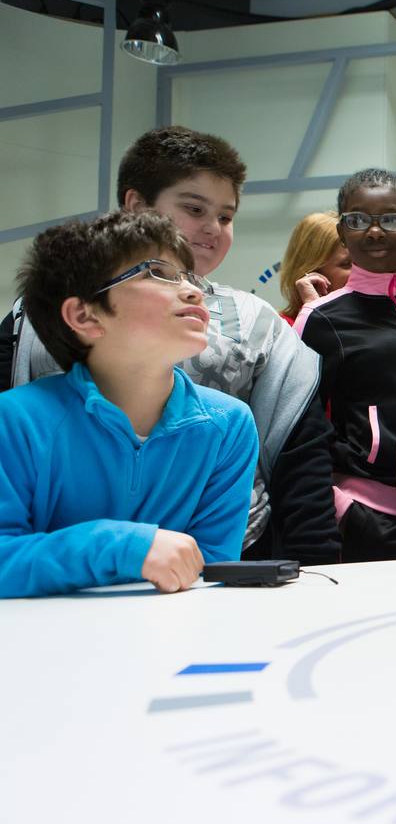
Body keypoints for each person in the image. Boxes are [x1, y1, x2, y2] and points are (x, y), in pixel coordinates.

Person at [0, 126, 339, 567]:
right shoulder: (20, 408)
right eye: (194, 207)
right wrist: (126, 547)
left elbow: (216, 555)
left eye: (226, 216)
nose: (192, 291)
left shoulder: (235, 406)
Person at [0, 212, 257, 597]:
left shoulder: (229, 425)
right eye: (158, 272)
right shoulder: (16, 420)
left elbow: (211, 572)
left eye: (189, 276)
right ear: (85, 315)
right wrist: (122, 546)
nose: (193, 291)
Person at [294, 168, 396, 562]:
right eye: (357, 220)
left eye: (390, 219)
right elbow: (299, 429)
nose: (374, 232)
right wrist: (339, 508)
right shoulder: (320, 319)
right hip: (368, 515)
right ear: (342, 232)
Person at [278, 211, 351, 325]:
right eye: (347, 264)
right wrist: (316, 316)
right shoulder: (282, 330)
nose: (362, 271)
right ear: (314, 275)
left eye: (363, 263)